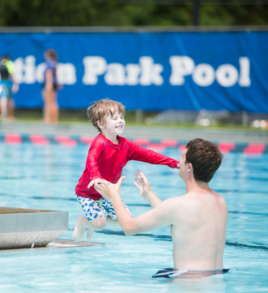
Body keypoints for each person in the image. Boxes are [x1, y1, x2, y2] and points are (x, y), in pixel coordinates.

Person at [94, 138, 228, 279]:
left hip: (190, 284)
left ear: (189, 167)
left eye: (181, 158)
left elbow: (129, 227)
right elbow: (182, 225)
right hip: (216, 280)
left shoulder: (179, 205)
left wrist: (114, 196)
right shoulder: (219, 201)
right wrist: (149, 195)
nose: (178, 162)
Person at [72, 99, 179, 243]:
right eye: (115, 118)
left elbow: (149, 154)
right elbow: (91, 159)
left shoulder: (126, 146)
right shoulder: (99, 143)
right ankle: (83, 221)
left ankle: (95, 219)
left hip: (108, 193)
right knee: (100, 225)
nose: (120, 120)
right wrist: (96, 176)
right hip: (87, 193)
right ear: (101, 124)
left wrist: (173, 163)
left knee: (126, 221)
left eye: (121, 117)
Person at [0, 55, 19, 123]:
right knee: (10, 100)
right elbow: (12, 75)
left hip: (1, 83)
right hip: (9, 83)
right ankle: (10, 117)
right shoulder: (10, 63)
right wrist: (15, 84)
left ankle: (4, 117)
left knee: (2, 100)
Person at [42, 49, 61, 124]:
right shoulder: (54, 62)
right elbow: (56, 75)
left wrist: (48, 85)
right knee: (53, 102)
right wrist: (57, 83)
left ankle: (48, 119)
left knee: (48, 102)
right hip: (53, 83)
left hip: (49, 84)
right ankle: (54, 119)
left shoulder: (49, 62)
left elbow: (48, 73)